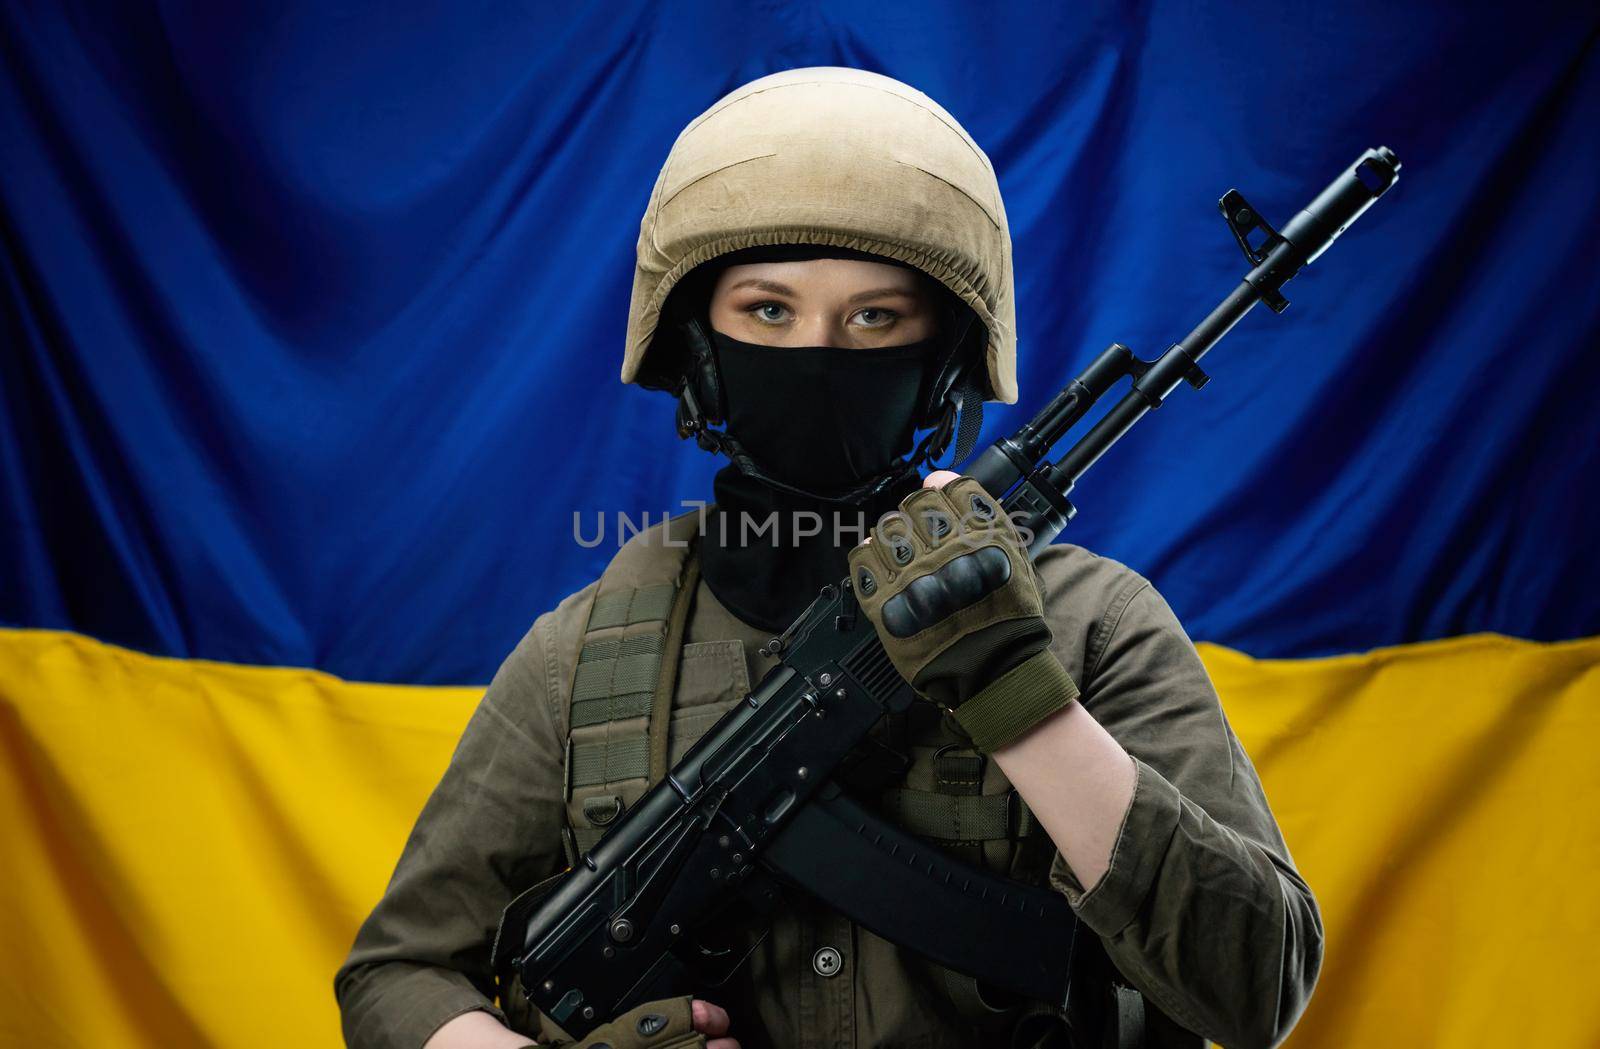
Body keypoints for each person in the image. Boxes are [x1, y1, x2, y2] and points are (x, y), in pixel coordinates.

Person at [335, 66, 1322, 1049]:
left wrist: (1017, 690)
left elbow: (1254, 988)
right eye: (768, 311)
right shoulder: (588, 652)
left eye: (876, 317)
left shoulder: (1088, 625)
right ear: (699, 347)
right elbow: (398, 971)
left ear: (942, 356)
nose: (819, 352)